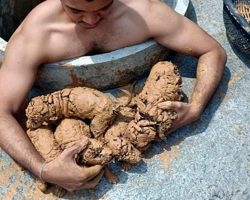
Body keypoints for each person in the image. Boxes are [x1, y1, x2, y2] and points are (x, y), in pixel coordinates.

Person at [0, 0, 227, 192]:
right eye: (75, 10)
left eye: (104, 7)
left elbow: (212, 50)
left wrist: (196, 107)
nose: (90, 21)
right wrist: (44, 169)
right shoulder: (36, 34)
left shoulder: (144, 12)